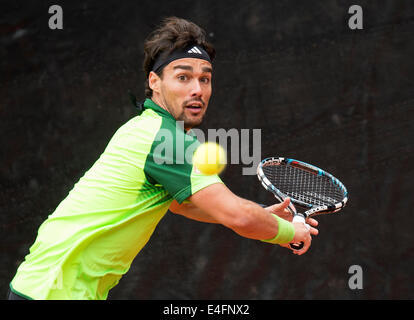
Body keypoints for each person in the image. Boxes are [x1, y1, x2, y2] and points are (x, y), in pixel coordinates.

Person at [9, 17, 318, 300]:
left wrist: (265, 216)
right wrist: (290, 232)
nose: (197, 90)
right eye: (183, 77)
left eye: (205, 79)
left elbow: (182, 203)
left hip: (41, 286)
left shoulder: (142, 127)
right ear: (154, 82)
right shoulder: (165, 140)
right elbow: (238, 216)